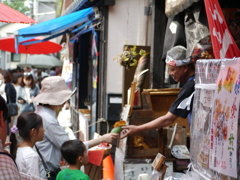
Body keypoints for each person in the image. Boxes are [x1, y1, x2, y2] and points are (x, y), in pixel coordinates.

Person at [33, 76, 119, 179]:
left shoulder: (42, 114)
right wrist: (102, 139)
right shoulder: (48, 119)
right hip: (46, 171)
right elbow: (71, 146)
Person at [121, 46, 195, 138]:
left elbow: (168, 119)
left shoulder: (190, 87)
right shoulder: (195, 81)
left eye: (172, 69)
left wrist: (137, 129)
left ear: (184, 68)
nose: (169, 73)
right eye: (168, 69)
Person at [10, 112, 44, 178]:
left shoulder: (17, 149)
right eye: (42, 127)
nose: (44, 130)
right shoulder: (32, 156)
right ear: (33, 131)